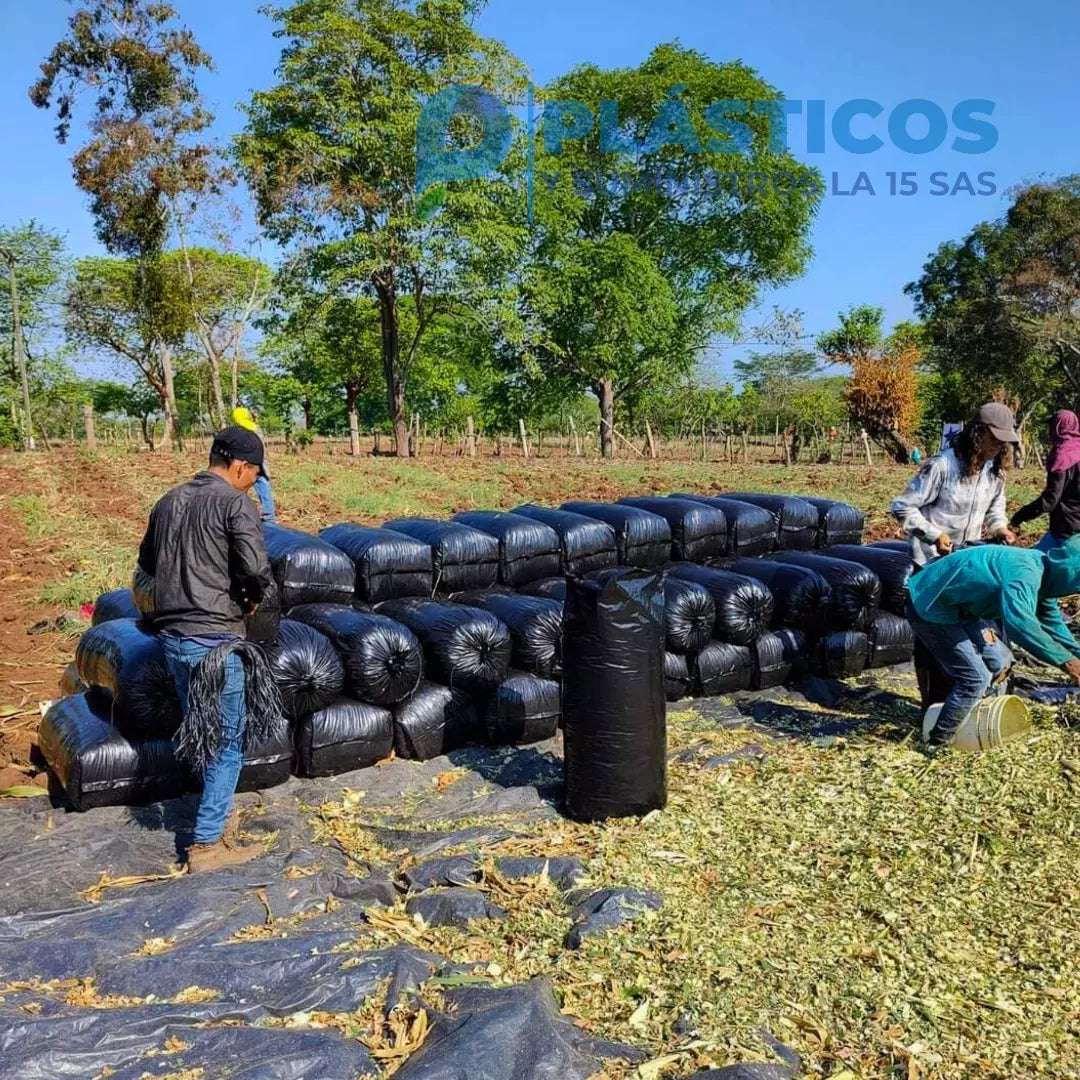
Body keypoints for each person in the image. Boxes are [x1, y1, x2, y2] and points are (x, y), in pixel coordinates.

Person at [137, 426, 279, 873]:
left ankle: (215, 814)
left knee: (202, 734)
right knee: (226, 744)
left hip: (174, 640)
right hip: (215, 641)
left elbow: (146, 566)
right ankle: (207, 846)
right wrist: (255, 598)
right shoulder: (235, 503)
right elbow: (256, 568)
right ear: (240, 466)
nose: (254, 483)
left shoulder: (168, 500)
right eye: (254, 475)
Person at [907, 539, 1080, 745]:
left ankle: (980, 722)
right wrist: (1067, 663)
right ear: (1071, 573)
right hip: (932, 605)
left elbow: (1054, 625)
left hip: (965, 609)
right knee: (975, 677)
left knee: (1002, 663)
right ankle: (938, 741)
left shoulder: (1045, 577)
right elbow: (1021, 625)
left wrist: (1076, 656)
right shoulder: (1025, 575)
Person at [890, 402, 1020, 567]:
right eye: (994, 439)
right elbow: (902, 506)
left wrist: (1000, 528)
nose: (998, 446)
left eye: (1003, 441)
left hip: (965, 559)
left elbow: (995, 509)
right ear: (977, 434)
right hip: (929, 561)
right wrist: (935, 536)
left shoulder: (995, 472)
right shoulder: (942, 466)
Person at [1010, 410, 1080, 552]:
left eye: (1052, 425)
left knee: (1035, 563)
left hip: (1065, 531)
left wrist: (1019, 517)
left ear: (1058, 427)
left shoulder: (1063, 457)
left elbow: (1050, 500)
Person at [231, 406, 277, 524]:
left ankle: (237, 515)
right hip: (260, 464)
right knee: (264, 489)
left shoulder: (238, 430)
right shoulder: (256, 428)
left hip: (245, 466)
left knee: (238, 491)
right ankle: (270, 518)